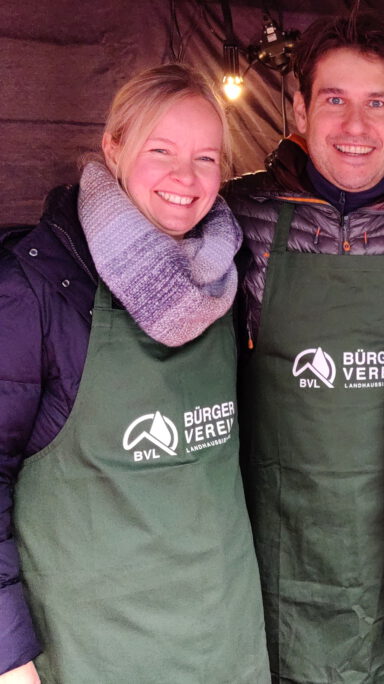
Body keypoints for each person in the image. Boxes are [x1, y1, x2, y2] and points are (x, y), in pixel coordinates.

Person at [0, 64, 269, 683]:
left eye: (206, 158)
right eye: (161, 150)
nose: (186, 177)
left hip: (223, 639)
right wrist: (9, 656)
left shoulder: (229, 281)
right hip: (95, 652)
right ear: (113, 146)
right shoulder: (37, 287)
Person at [222, 12, 384, 683]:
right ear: (298, 108)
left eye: (376, 103)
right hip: (281, 541)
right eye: (334, 101)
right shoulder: (239, 218)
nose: (356, 127)